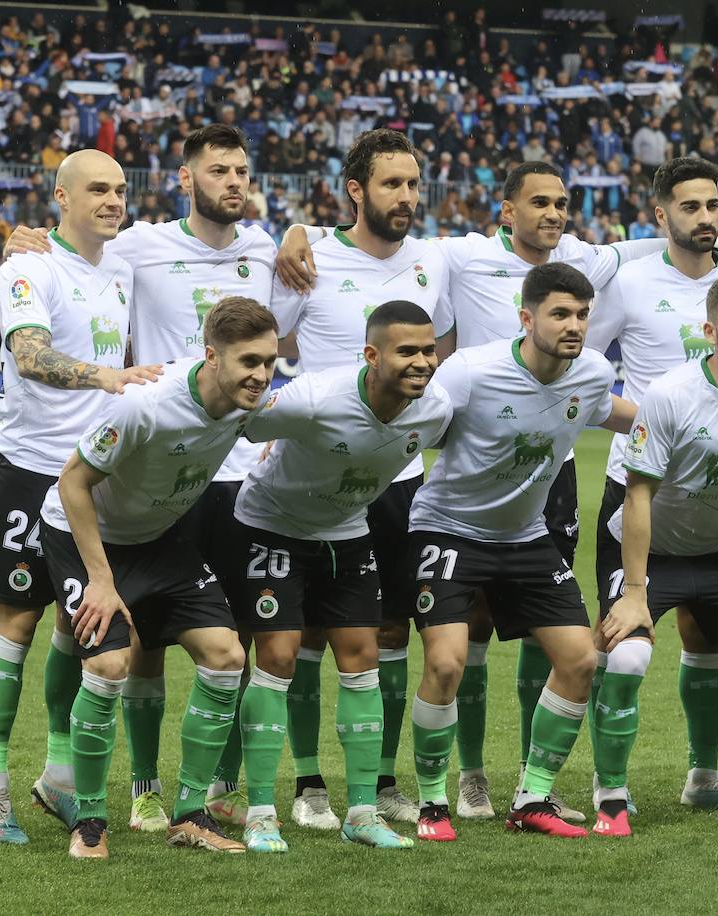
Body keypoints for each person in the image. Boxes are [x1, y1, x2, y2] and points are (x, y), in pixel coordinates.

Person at [275, 157, 718, 823]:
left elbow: (659, 239)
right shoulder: (459, 256)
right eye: (539, 202)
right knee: (423, 639)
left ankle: (531, 784)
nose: (554, 214)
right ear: (507, 210)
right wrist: (301, 229)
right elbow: (376, 239)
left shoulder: (585, 266)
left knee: (545, 639)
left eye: (562, 202)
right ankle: (458, 778)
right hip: (458, 470)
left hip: (543, 472)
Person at [3, 123, 283, 833]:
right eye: (218, 169)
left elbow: (292, 336)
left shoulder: (269, 250)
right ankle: (144, 791)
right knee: (143, 644)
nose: (233, 181)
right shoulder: (139, 246)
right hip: (148, 449)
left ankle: (214, 790)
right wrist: (22, 237)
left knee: (235, 639)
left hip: (236, 468)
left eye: (242, 170)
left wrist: (306, 235)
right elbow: (73, 244)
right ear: (187, 179)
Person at [586, 157, 718, 815]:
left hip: (711, 497)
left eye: (713, 206)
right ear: (661, 215)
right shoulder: (630, 280)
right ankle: (606, 788)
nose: (705, 218)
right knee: (623, 643)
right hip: (637, 486)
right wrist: (644, 417)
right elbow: (587, 373)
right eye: (691, 207)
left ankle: (705, 780)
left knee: (706, 640)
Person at [405, 262, 635, 842]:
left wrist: (695, 421)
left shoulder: (589, 373)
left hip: (525, 537)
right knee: (447, 662)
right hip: (447, 529)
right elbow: (406, 417)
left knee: (581, 660)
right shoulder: (470, 372)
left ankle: (532, 798)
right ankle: (433, 802)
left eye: (582, 314)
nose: (574, 325)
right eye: (560, 313)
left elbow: (617, 413)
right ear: (527, 318)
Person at [42, 297, 279, 858]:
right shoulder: (143, 406)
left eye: (270, 360)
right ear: (212, 357)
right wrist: (101, 581)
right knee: (107, 665)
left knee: (226, 656)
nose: (262, 374)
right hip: (87, 537)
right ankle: (90, 821)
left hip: (160, 539)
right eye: (249, 361)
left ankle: (192, 813)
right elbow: (71, 483)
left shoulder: (251, 402)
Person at [0, 149, 159, 845]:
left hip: (98, 478)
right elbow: (28, 353)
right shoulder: (29, 266)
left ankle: (59, 780)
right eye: (98, 190)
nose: (113, 200)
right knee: (15, 626)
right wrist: (105, 378)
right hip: (28, 470)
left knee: (75, 632)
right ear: (61, 197)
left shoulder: (126, 263)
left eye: (119, 189)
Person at [267, 129, 448, 829]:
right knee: (310, 631)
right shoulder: (309, 261)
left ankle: (382, 779)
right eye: (391, 185)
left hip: (400, 477)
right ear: (355, 191)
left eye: (413, 184)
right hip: (317, 479)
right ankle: (309, 784)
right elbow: (277, 340)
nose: (406, 198)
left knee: (393, 629)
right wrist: (294, 231)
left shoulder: (435, 261)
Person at [226, 301, 453, 853]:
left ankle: (361, 812)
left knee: (363, 658)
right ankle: (260, 813)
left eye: (428, 350)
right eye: (407, 352)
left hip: (349, 534)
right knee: (277, 659)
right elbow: (238, 415)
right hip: (272, 528)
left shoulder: (434, 409)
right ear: (372, 356)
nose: (422, 361)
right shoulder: (315, 397)